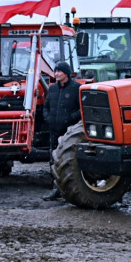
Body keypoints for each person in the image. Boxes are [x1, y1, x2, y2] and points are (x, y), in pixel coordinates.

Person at [42, 61, 82, 200]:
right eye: (55, 71)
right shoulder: (52, 89)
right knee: (53, 159)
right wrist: (48, 118)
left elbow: (81, 109)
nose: (56, 74)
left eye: (59, 71)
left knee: (68, 160)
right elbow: (46, 107)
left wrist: (70, 119)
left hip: (69, 132)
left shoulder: (76, 88)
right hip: (54, 130)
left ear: (66, 73)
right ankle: (56, 188)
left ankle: (70, 188)